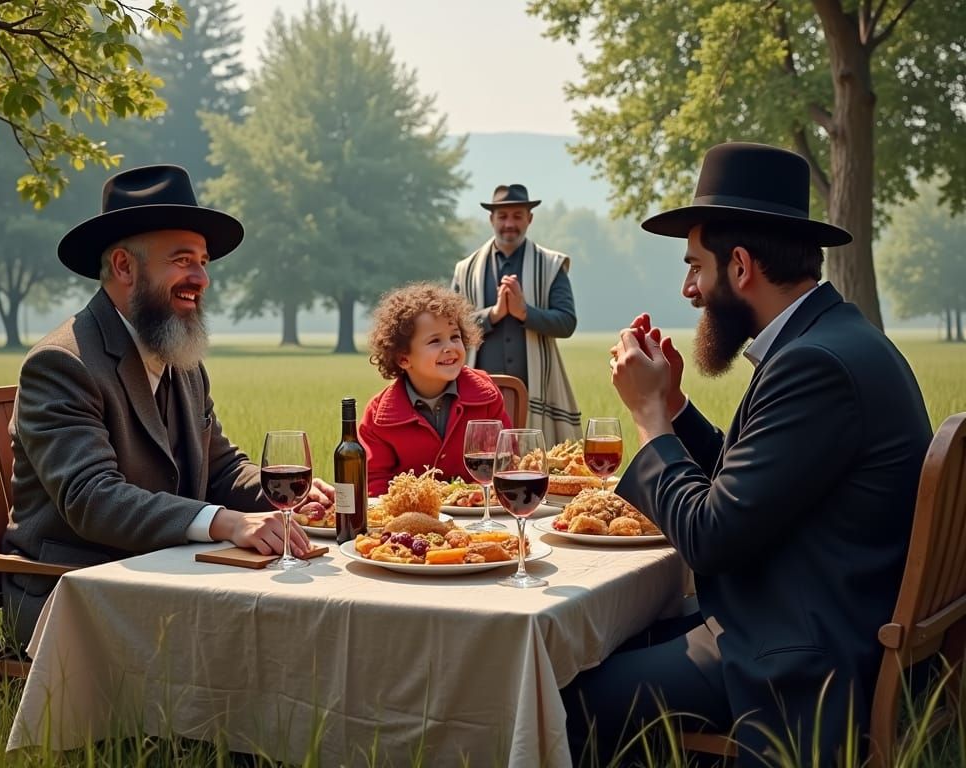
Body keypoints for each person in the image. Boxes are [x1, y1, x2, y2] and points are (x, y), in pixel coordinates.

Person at [561, 143, 932, 766]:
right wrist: (676, 407)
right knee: (601, 644)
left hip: (797, 659)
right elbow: (752, 483)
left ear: (739, 267)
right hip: (816, 620)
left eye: (694, 267)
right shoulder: (836, 337)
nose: (688, 289)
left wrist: (649, 417)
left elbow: (711, 536)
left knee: (562, 696)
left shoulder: (815, 365)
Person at [3, 164, 333, 650]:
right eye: (183, 260)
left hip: (160, 574)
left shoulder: (181, 359)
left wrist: (283, 497)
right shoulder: (62, 363)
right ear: (123, 266)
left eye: (203, 262)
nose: (201, 278)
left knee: (305, 617)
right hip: (76, 592)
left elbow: (222, 468)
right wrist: (226, 521)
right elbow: (92, 498)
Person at [452, 183, 581, 442]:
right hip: (479, 393)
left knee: (536, 468)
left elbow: (567, 323)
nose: (509, 223)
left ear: (529, 219)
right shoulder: (465, 269)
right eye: (502, 216)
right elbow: (451, 328)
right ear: (491, 219)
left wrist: (525, 313)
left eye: (517, 216)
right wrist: (493, 315)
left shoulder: (551, 264)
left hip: (537, 390)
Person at [359, 281, 511, 497]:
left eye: (455, 337)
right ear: (403, 358)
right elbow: (373, 482)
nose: (449, 347)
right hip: (410, 521)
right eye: (435, 341)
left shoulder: (486, 395)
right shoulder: (378, 416)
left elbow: (505, 461)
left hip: (477, 516)